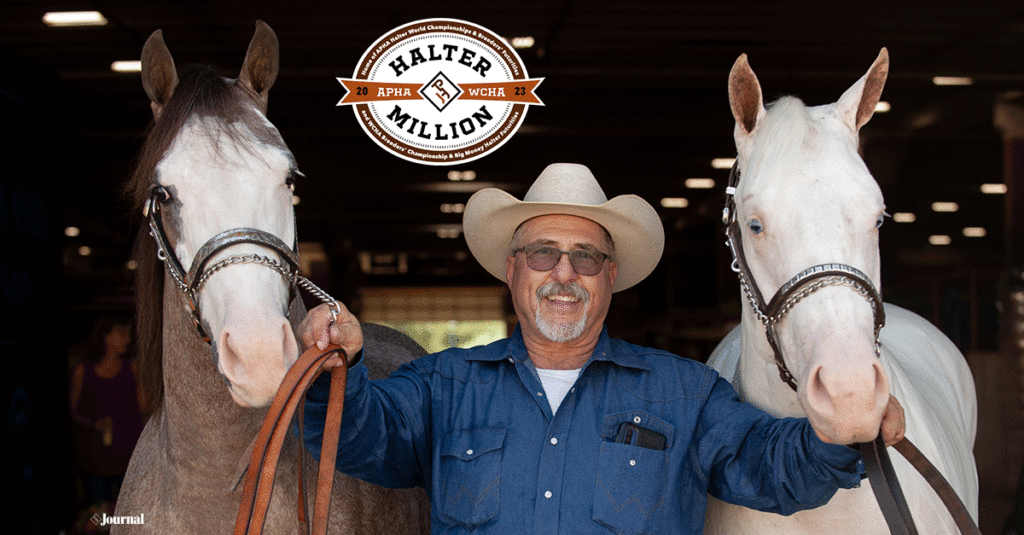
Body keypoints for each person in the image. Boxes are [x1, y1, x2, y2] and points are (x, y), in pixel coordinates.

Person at [297, 163, 905, 534]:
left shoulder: (684, 395)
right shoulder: (444, 387)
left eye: (586, 256)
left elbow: (771, 465)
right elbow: (357, 438)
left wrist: (841, 429)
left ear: (610, 275)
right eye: (543, 253)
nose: (564, 273)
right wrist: (337, 365)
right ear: (513, 272)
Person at [69, 315, 146, 516]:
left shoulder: (132, 368)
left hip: (129, 460)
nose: (127, 339)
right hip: (95, 461)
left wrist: (143, 378)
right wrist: (94, 424)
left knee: (131, 517)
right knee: (98, 517)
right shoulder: (83, 371)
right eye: (121, 333)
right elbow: (72, 411)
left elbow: (144, 407)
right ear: (106, 337)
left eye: (128, 334)